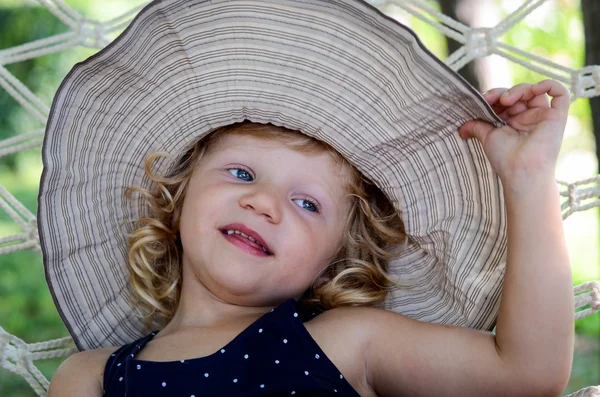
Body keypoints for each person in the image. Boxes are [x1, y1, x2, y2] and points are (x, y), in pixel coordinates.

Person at [39, 0, 574, 396]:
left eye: (308, 204)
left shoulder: (347, 342)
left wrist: (528, 180)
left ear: (333, 264)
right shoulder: (91, 377)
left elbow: (528, 374)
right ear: (178, 198)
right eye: (242, 171)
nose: (265, 203)